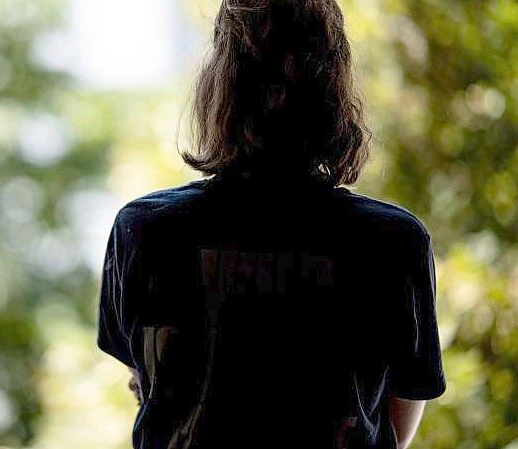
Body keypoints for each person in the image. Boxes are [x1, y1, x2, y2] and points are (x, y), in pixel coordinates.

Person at [96, 1, 446, 448]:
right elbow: (394, 424)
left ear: (217, 85)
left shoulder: (144, 230)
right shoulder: (394, 241)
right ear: (335, 89)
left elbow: (152, 385)